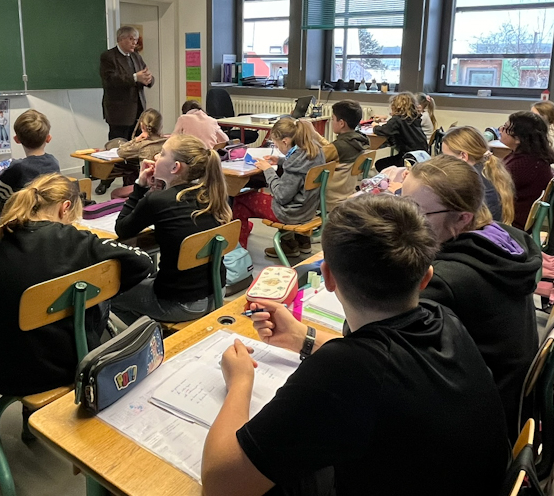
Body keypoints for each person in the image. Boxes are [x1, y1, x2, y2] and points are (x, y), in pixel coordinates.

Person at [201, 195, 509, 496]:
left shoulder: (346, 370)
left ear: (328, 277)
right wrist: (301, 338)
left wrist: (240, 381)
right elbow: (384, 362)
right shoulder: (444, 320)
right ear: (425, 278)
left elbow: (220, 484)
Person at [0, 173, 154, 396]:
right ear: (65, 208)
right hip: (56, 371)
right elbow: (144, 262)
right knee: (94, 300)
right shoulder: (73, 240)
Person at [402, 154, 542, 441]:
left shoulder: (447, 280)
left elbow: (387, 350)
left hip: (475, 427)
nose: (405, 219)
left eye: (416, 211)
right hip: (508, 405)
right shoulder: (506, 238)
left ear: (462, 218)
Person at [111, 135, 232, 324]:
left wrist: (140, 186)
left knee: (109, 296)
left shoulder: (159, 201)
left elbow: (122, 229)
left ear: (175, 167)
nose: (156, 157)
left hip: (180, 303)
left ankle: (144, 338)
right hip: (216, 292)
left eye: (162, 153)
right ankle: (150, 326)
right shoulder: (212, 195)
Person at [231, 117, 326, 259]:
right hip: (309, 208)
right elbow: (297, 174)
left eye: (276, 144)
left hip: (292, 213)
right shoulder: (314, 150)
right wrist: (280, 160)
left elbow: (281, 196)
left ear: (285, 141)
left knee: (241, 201)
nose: (277, 148)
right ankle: (298, 244)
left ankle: (239, 255)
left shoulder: (296, 164)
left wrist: (267, 169)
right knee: (247, 199)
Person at [0, 109, 60, 216]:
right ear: (48, 138)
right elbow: (7, 178)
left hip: (21, 223)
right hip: (47, 218)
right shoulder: (53, 162)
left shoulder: (18, 168)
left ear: (16, 139)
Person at [441, 126, 515, 224]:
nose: (443, 162)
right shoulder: (489, 169)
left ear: (463, 156)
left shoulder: (470, 182)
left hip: (478, 234)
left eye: (446, 157)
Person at [500, 111, 554, 230]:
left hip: (511, 222)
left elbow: (494, 189)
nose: (500, 130)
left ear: (518, 139)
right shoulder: (531, 157)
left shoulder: (523, 165)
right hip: (517, 216)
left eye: (505, 128)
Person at [99, 108, 168, 194]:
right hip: (165, 187)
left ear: (142, 126)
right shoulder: (167, 142)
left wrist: (136, 140)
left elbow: (120, 151)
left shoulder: (141, 144)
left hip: (146, 189)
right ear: (160, 126)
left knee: (115, 193)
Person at [322, 100, 369, 211]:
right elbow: (331, 148)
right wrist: (315, 135)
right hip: (348, 193)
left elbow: (311, 157)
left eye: (333, 119)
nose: (332, 122)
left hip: (330, 200)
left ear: (341, 123)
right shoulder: (360, 141)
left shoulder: (338, 147)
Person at [373, 91, 429, 171]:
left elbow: (384, 130)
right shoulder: (415, 117)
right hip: (422, 155)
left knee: (380, 164)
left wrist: (375, 127)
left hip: (409, 157)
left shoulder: (397, 120)